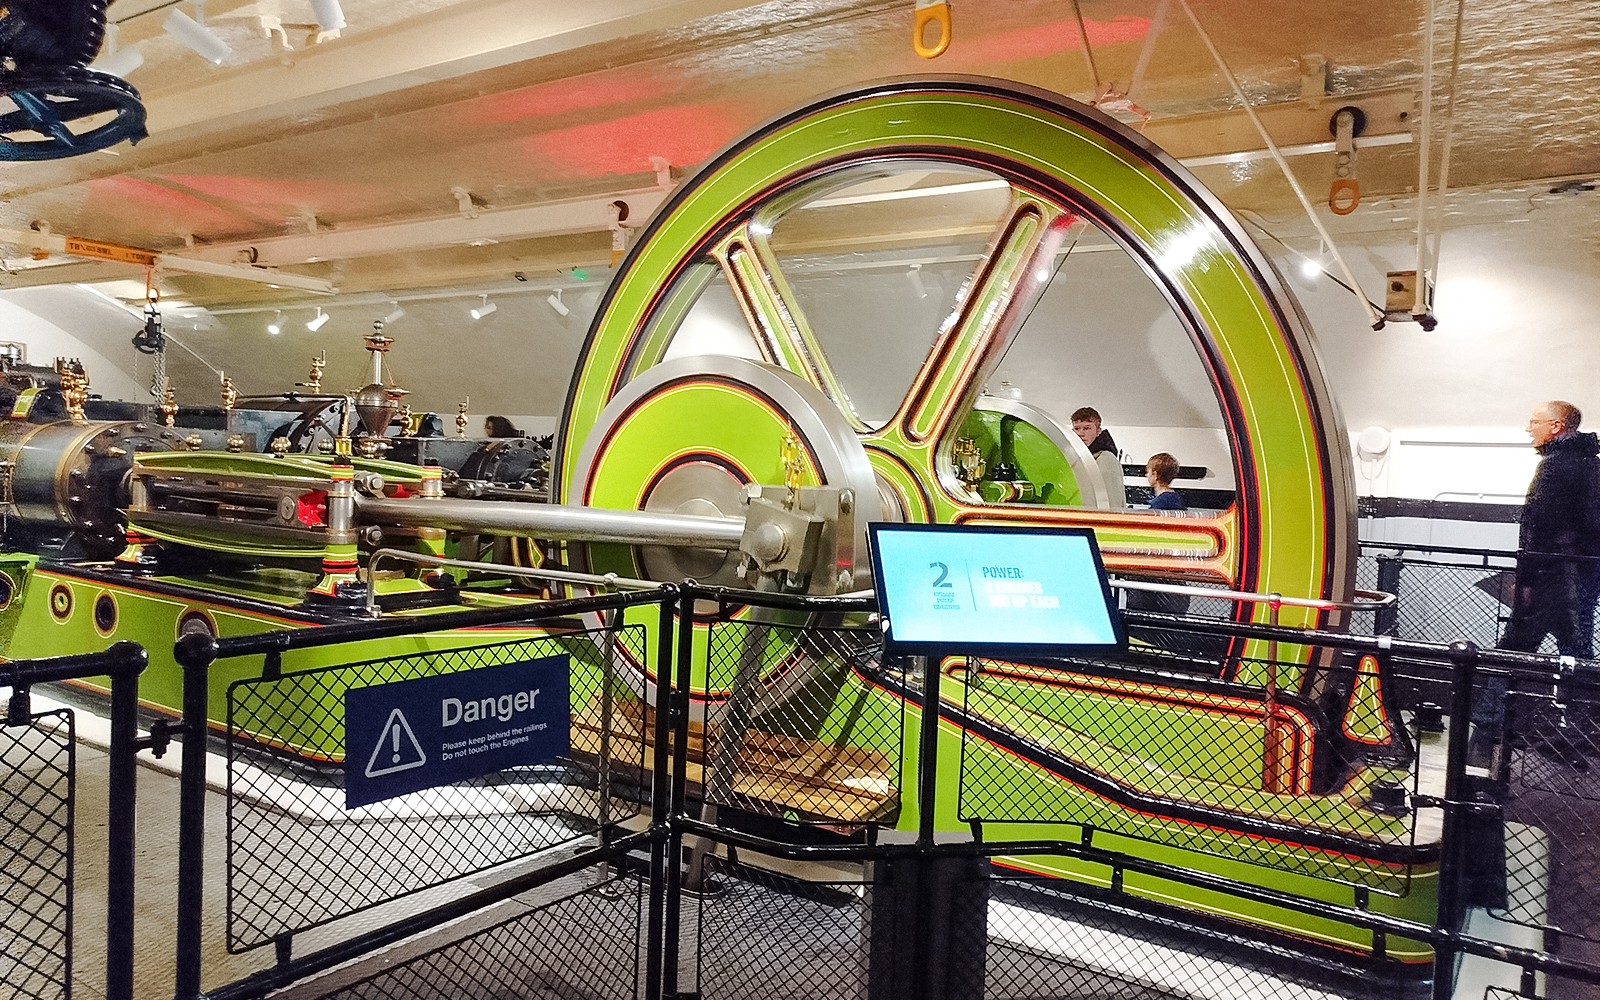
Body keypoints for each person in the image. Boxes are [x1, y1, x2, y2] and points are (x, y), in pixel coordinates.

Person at [1472, 401, 1600, 765]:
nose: (1529, 428)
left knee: (1513, 650)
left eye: (1534, 422)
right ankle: (1577, 735)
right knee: (1578, 656)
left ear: (1556, 426)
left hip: (1550, 580)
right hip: (1582, 578)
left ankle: (1485, 734)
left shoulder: (1555, 467)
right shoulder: (1592, 464)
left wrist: (1525, 579)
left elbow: (1539, 529)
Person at [1070, 406, 1126, 508]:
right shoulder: (1078, 457)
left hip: (1094, 516)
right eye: (1077, 428)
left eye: (1087, 428)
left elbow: (1112, 501)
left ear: (1098, 431)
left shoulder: (1106, 459)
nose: (1080, 433)